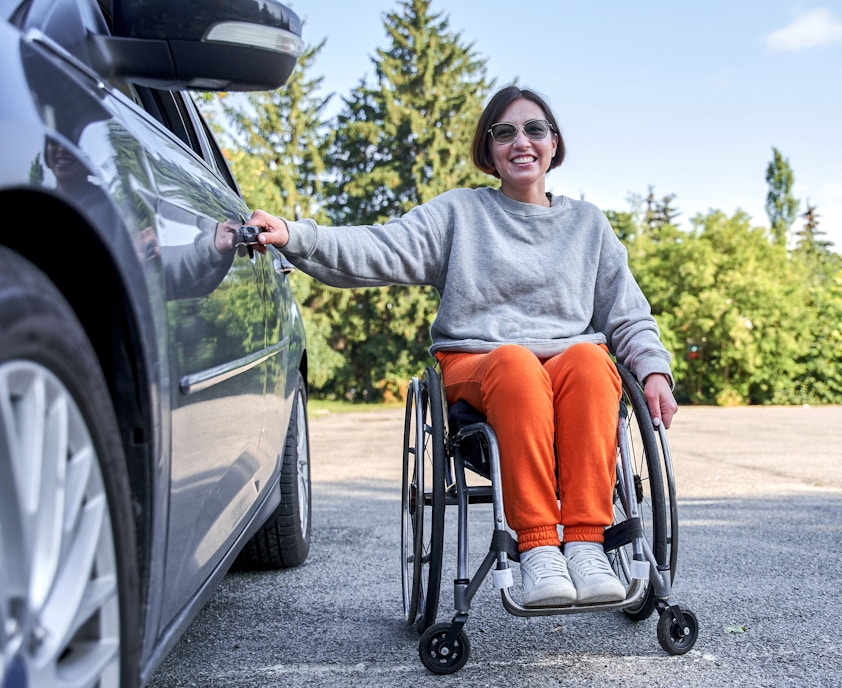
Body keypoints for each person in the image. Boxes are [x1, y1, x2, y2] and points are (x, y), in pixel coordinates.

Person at [246, 85, 677, 607]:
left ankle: (586, 544)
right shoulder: (460, 214)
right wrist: (295, 234)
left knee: (590, 359)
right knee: (518, 363)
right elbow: (379, 247)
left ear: (554, 143)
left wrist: (653, 371)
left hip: (568, 372)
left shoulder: (588, 225)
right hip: (481, 368)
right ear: (489, 150)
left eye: (534, 129)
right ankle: (539, 549)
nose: (521, 141)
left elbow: (628, 313)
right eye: (505, 132)